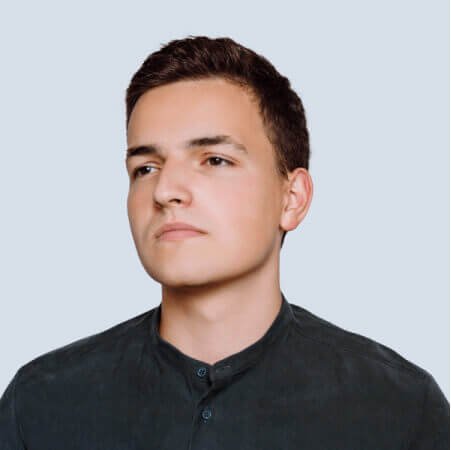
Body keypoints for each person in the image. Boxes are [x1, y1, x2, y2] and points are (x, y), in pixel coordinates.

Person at [0, 35, 448, 449]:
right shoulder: (40, 405)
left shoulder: (400, 410)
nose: (165, 190)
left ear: (292, 198)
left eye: (214, 160)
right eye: (146, 168)